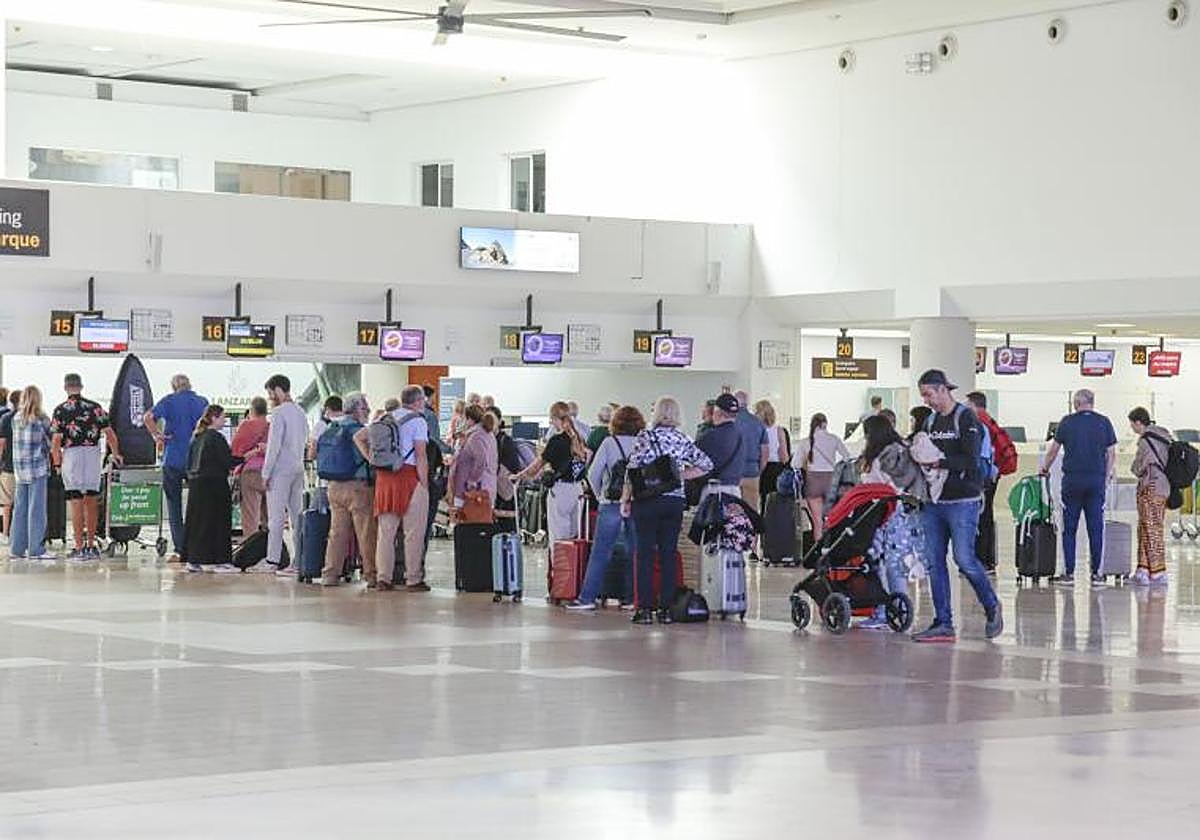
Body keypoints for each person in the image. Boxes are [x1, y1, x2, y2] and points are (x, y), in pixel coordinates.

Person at [910, 369, 1002, 643]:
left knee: (964, 558)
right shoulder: (930, 421)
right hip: (934, 501)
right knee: (934, 561)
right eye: (923, 396)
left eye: (929, 394)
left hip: (963, 501)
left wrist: (940, 463)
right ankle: (943, 622)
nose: (927, 401)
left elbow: (972, 460)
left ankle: (991, 604)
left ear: (942, 390)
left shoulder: (966, 418)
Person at [622, 396, 713, 626]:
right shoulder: (682, 439)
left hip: (647, 501)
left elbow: (632, 469)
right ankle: (666, 610)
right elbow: (706, 464)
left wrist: (625, 498)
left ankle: (644, 609)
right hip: (673, 502)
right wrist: (678, 477)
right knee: (668, 555)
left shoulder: (645, 436)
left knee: (644, 555)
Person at [566, 405, 645, 611]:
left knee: (601, 552)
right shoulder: (643, 443)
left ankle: (587, 598)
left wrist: (601, 494)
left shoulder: (610, 443)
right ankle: (630, 598)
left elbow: (593, 473)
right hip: (637, 503)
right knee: (634, 552)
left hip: (611, 503)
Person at [1041, 389, 1117, 588]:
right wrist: (1106, 477)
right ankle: (1096, 575)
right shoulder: (1104, 422)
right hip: (1096, 482)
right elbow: (1111, 454)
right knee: (1095, 527)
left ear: (1076, 403)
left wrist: (1044, 468)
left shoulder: (1067, 422)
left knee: (1069, 529)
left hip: (1072, 482)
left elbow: (1053, 451)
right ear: (1092, 402)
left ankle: (1069, 574)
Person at [856, 414, 925, 630]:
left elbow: (877, 485)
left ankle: (882, 611)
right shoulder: (901, 449)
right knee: (895, 563)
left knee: (876, 560)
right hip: (901, 512)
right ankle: (898, 608)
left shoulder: (880, 457)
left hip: (881, 512)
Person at [359, 385, 430, 592]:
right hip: (409, 477)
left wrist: (370, 458)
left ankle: (384, 578)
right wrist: (424, 484)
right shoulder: (418, 421)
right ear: (418, 401)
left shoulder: (384, 418)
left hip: (385, 479)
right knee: (413, 533)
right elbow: (421, 455)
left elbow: (359, 438)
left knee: (385, 533)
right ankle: (413, 578)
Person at [50, 373, 123, 562]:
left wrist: (57, 463)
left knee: (75, 501)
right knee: (91, 499)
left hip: (72, 455)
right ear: (81, 387)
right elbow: (110, 434)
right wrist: (116, 454)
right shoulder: (95, 408)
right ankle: (91, 545)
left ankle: (79, 547)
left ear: (66, 388)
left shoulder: (60, 410)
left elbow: (56, 441)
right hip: (92, 454)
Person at [144, 373, 209, 562]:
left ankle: (181, 548)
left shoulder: (169, 401)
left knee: (174, 506)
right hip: (196, 459)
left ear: (174, 387)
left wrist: (157, 435)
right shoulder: (202, 401)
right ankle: (198, 546)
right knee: (197, 505)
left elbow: (148, 417)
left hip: (172, 459)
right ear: (190, 385)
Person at [320, 392, 376, 587]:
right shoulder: (359, 430)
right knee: (365, 532)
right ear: (357, 410)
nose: (368, 410)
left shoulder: (332, 426)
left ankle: (330, 574)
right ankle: (371, 575)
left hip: (334, 486)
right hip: (358, 487)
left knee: (336, 532)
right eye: (365, 407)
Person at [515, 401, 589, 544]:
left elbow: (536, 466)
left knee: (558, 536)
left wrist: (519, 476)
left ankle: (558, 565)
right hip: (577, 490)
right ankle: (571, 565)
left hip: (560, 491)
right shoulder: (579, 438)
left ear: (555, 419)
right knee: (573, 535)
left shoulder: (555, 441)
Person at [257, 374, 308, 577]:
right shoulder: (300, 412)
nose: (270, 397)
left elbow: (275, 445)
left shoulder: (279, 413)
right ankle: (299, 561)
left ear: (278, 390)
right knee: (297, 517)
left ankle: (272, 560)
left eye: (270, 393)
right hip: (298, 467)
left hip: (280, 470)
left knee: (276, 518)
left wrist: (265, 472)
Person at [182, 404, 238, 574]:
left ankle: (194, 559)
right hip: (215, 485)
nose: (224, 420)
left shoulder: (197, 437)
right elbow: (226, 461)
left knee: (198, 523)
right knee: (219, 522)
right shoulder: (216, 437)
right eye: (222, 417)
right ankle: (222, 560)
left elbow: (188, 463)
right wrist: (245, 458)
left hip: (196, 486)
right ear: (214, 418)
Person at [10, 386, 56, 563]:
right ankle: (36, 549)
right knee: (37, 510)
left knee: (20, 509)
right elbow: (52, 442)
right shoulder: (42, 419)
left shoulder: (16, 418)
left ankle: (17, 549)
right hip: (37, 469)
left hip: (20, 470)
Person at [1129, 407, 1171, 587]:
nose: (1132, 429)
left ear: (1139, 422)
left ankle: (1158, 572)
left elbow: (1138, 468)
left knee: (1151, 529)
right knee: (1148, 527)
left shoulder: (1146, 441)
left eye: (1132, 425)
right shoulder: (1165, 436)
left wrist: (1135, 468)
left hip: (1150, 487)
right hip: (1164, 488)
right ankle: (1143, 569)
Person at [792, 413, 850, 541]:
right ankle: (830, 549)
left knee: (817, 522)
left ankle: (818, 553)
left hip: (813, 482)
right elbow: (847, 457)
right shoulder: (834, 439)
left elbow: (795, 464)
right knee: (831, 519)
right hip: (831, 481)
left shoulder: (805, 442)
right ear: (826, 424)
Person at [449, 405, 499, 520]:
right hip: (486, 488)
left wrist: (472, 480)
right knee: (480, 526)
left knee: (468, 525)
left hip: (472, 492)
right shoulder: (488, 434)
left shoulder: (475, 437)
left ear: (469, 419)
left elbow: (481, 461)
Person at [230, 396, 270, 538]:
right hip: (270, 473)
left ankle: (251, 550)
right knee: (269, 517)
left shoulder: (247, 425)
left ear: (252, 410)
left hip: (250, 473)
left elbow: (235, 450)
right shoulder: (272, 426)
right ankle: (270, 550)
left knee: (250, 517)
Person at [696, 393, 745, 506]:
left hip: (715, 491)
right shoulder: (740, 434)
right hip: (735, 491)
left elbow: (695, 463)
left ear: (717, 412)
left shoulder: (711, 436)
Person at [733, 389, 768, 510]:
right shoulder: (758, 423)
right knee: (752, 511)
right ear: (747, 403)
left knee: (733, 512)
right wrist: (759, 470)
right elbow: (765, 452)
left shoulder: (730, 421)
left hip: (732, 474)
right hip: (752, 472)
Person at [755, 399, 791, 510]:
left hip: (761, 468)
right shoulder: (779, 430)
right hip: (776, 469)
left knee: (763, 501)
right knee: (777, 501)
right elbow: (784, 456)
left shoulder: (757, 431)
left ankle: (764, 523)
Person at [0, 389, 19, 543]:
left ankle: (6, 533)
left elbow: (2, 444)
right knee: (23, 503)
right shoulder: (30, 417)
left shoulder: (6, 418)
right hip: (25, 467)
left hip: (8, 466)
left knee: (7, 503)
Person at [307, 395, 344, 462]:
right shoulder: (348, 422)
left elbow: (313, 448)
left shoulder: (321, 425)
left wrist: (310, 458)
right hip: (347, 467)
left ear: (327, 409)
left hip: (327, 467)